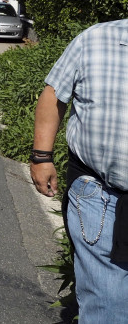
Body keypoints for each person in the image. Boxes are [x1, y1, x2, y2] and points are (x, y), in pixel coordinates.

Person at [30, 19, 128, 322]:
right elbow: (54, 94)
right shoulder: (95, 39)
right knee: (108, 302)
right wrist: (41, 156)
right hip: (100, 193)